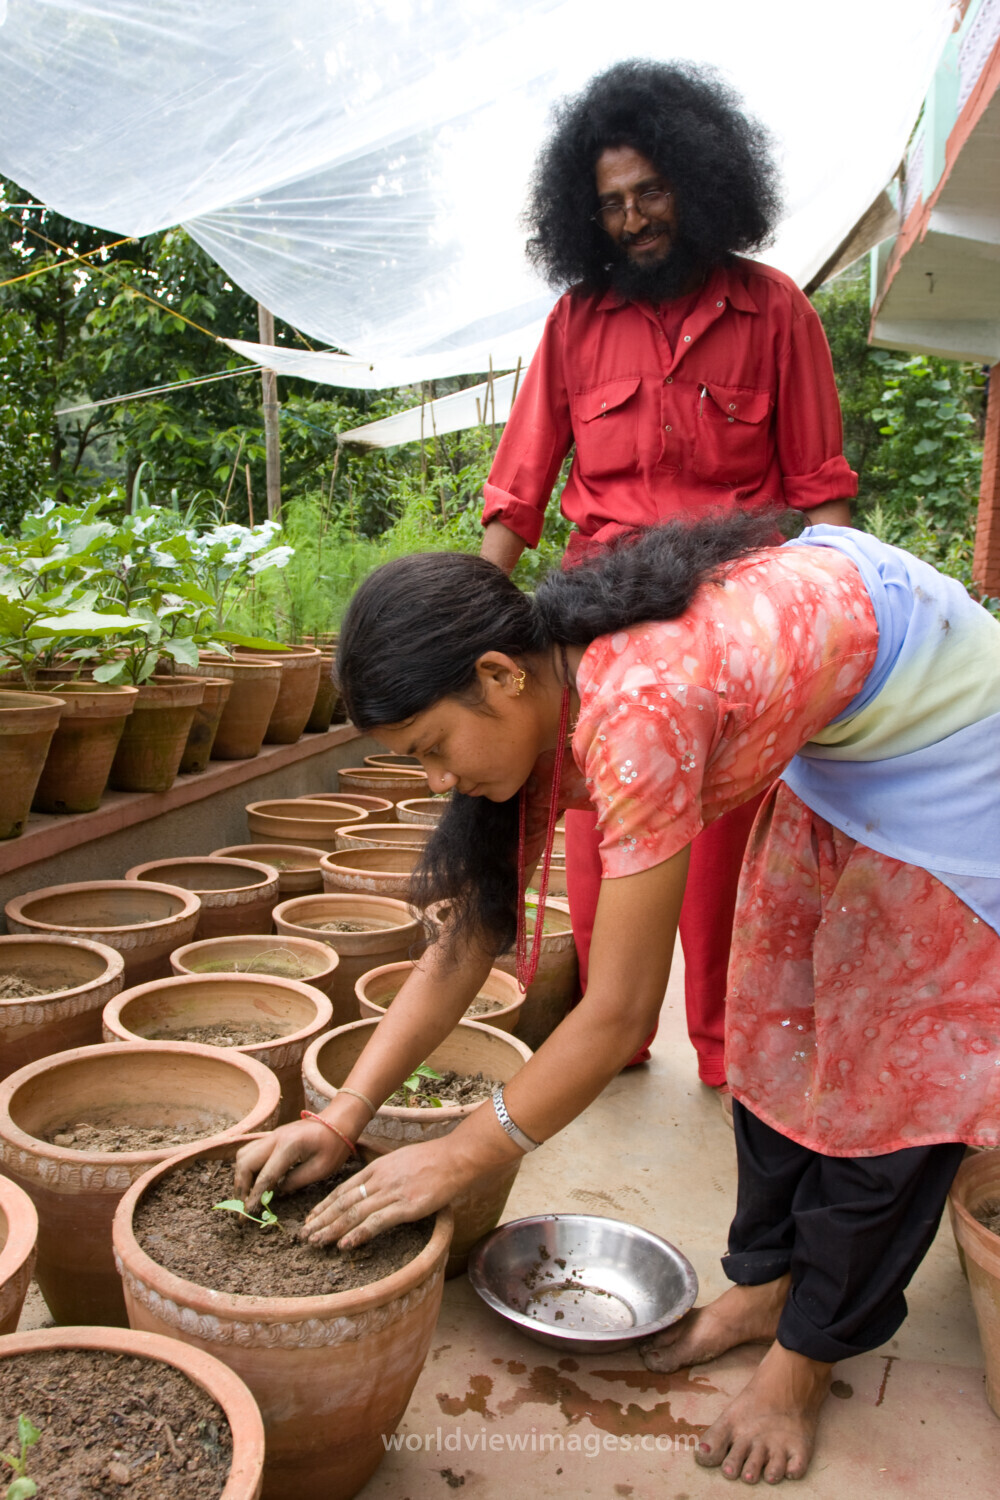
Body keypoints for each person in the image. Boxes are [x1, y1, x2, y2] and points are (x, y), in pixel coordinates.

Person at [236, 517, 1000, 1484]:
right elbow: (464, 942)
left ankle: (807, 1359)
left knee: (887, 1079)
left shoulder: (637, 713)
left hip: (951, 721)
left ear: (500, 674)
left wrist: (462, 1155)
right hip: (846, 714)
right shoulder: (541, 685)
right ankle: (766, 1290)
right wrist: (343, 1115)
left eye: (433, 746)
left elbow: (621, 1015)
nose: (437, 781)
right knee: (780, 1028)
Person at [480, 60, 857, 1098]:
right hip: (601, 623)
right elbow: (516, 493)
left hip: (736, 624)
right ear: (583, 214)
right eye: (610, 205)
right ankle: (618, 1038)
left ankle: (730, 1058)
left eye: (649, 191)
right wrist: (468, 629)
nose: (634, 217)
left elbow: (821, 488)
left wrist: (844, 631)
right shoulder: (573, 325)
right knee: (603, 835)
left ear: (697, 180)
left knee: (727, 852)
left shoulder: (775, 311)